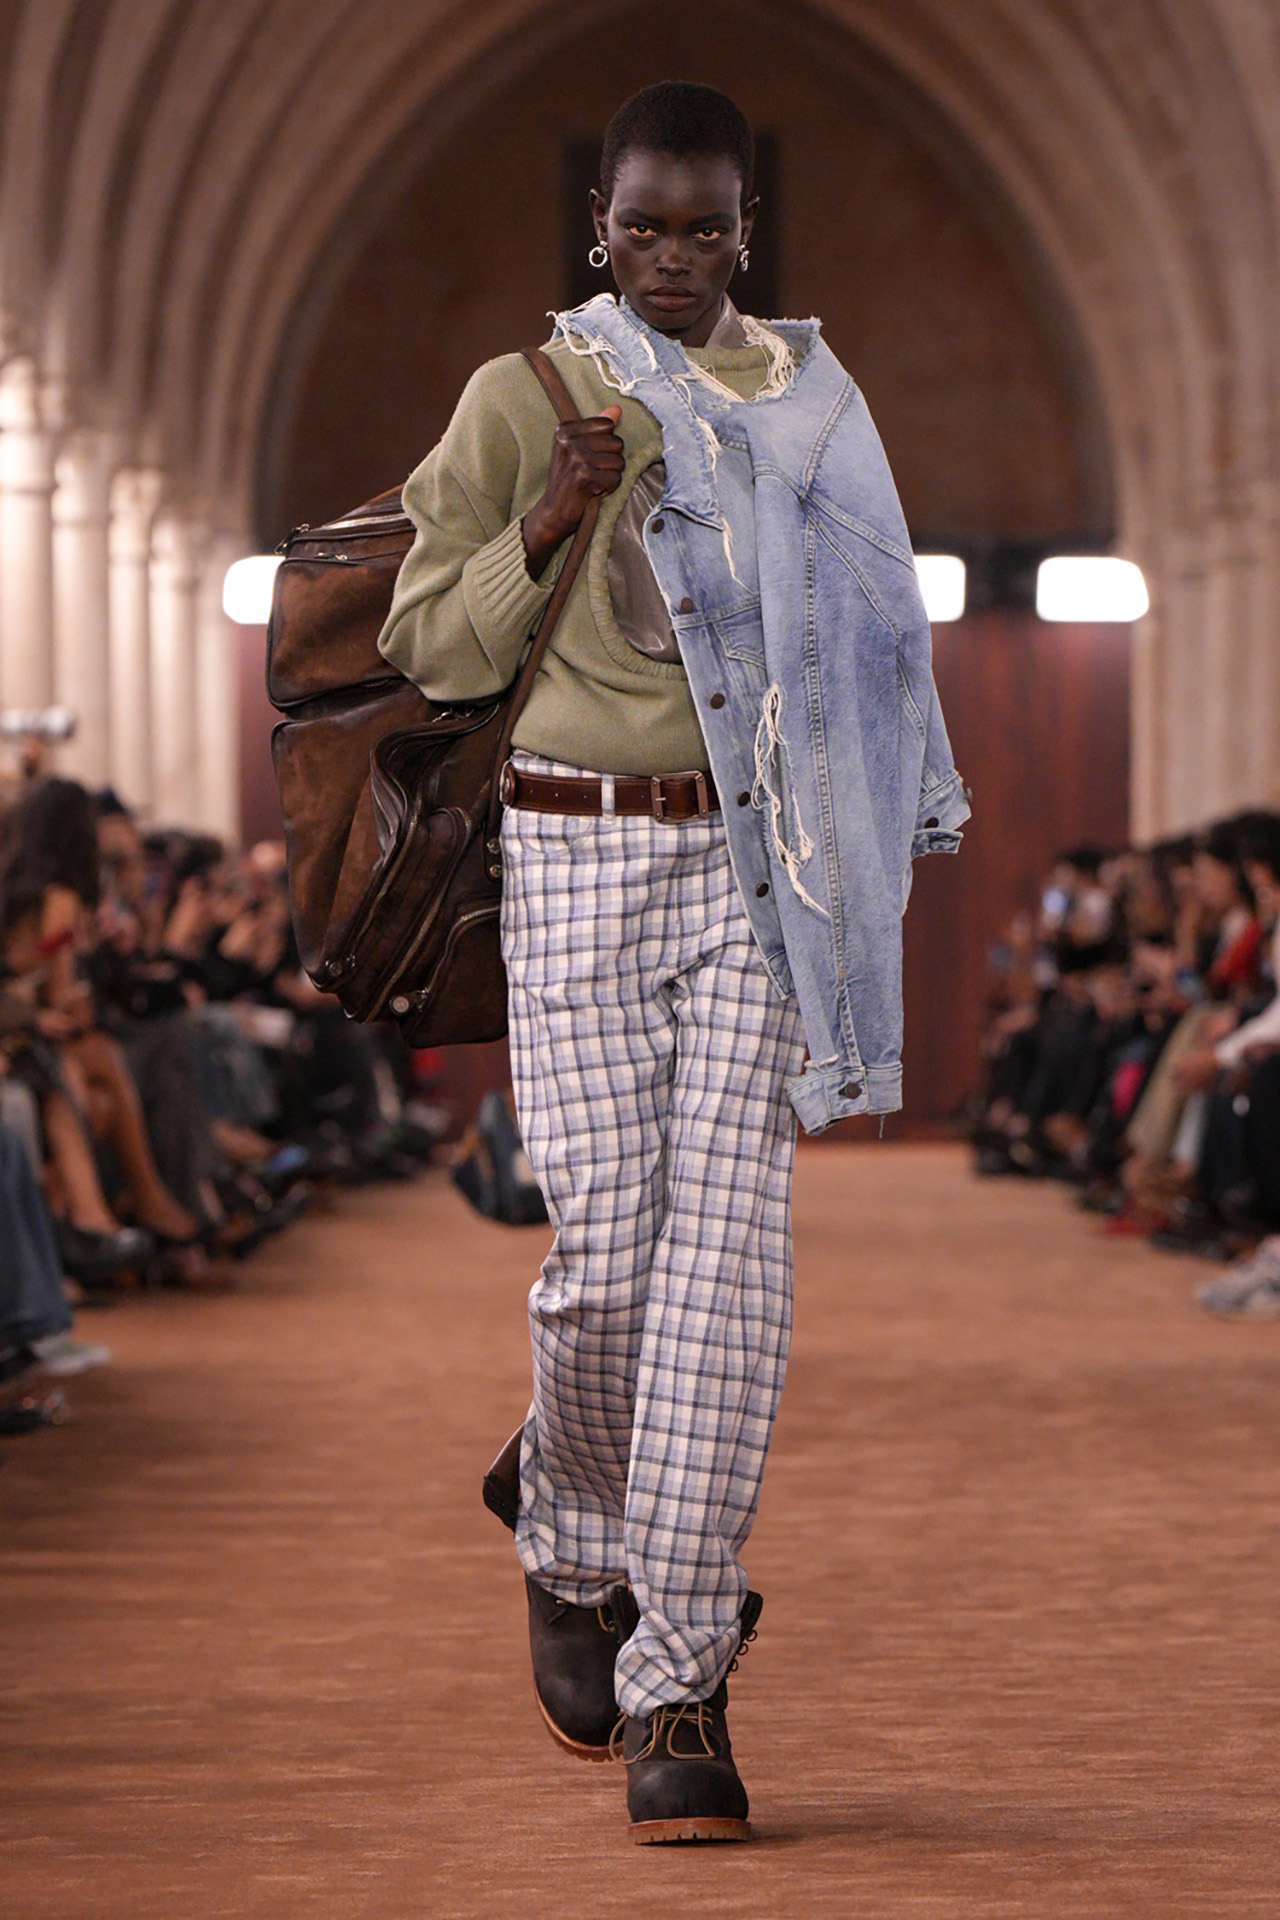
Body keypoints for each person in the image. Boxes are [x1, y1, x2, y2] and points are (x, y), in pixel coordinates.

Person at [379, 80, 967, 1843]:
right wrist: (548, 519)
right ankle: (570, 1530)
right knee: (608, 1267)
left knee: (732, 1277)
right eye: (645, 225)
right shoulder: (525, 396)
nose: (675, 256)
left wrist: (904, 815)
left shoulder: (810, 401)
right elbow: (426, 643)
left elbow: (877, 622)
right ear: (601, 227)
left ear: (745, 231)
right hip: (571, 851)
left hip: (755, 863)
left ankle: (682, 1683)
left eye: (707, 227)